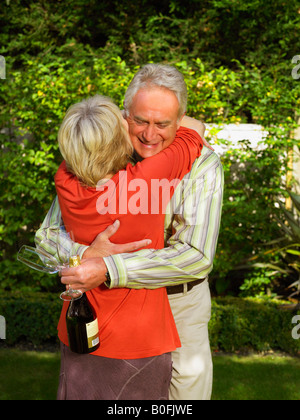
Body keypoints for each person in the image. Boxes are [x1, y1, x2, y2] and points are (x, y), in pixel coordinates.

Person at [35, 63, 224, 400]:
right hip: (114, 307)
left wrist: (108, 268)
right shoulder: (98, 156)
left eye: (163, 124)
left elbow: (196, 257)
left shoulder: (203, 165)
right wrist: (83, 255)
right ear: (124, 117)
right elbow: (46, 238)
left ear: (180, 121)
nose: (150, 135)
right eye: (141, 121)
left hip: (179, 302)